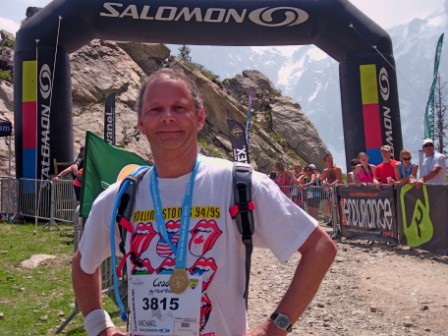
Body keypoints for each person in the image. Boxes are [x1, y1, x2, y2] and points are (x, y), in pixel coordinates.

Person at [71, 69, 337, 336]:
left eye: (179, 107)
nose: (167, 117)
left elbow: (319, 248)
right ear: (141, 122)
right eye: (155, 109)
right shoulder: (118, 198)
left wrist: (274, 327)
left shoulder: (239, 185)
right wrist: (100, 327)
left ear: (199, 118)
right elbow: (83, 265)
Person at [320, 154, 343, 225]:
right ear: (325, 162)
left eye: (331, 160)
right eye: (328, 161)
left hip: (338, 190)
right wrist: (324, 182)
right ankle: (333, 220)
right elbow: (322, 179)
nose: (330, 162)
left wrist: (331, 184)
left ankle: (339, 222)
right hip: (330, 191)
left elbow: (339, 179)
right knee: (331, 206)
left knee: (338, 206)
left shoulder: (337, 169)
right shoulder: (325, 171)